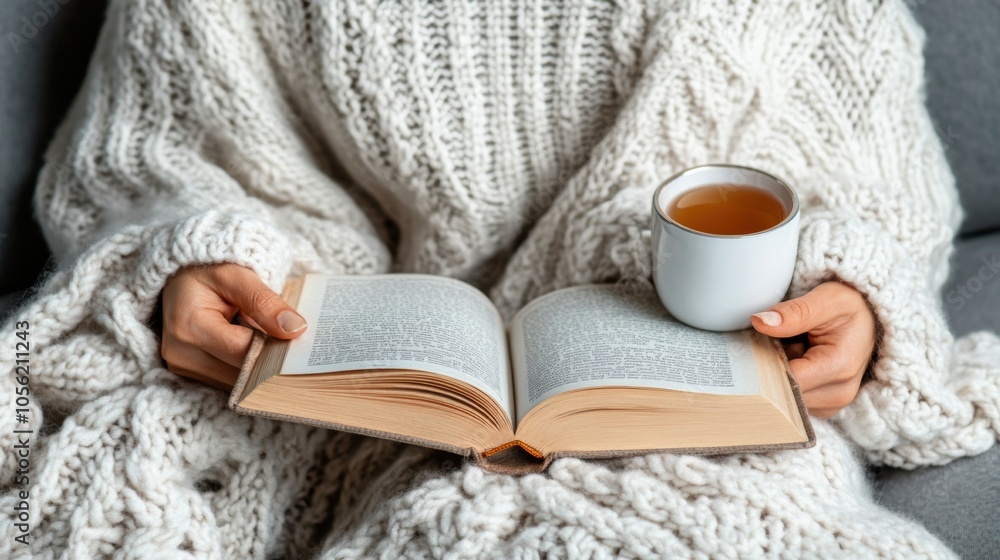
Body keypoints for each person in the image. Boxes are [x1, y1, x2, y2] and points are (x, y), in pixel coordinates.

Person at [2, 0, 998, 557]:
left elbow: (865, 179)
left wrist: (853, 300)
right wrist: (191, 264)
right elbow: (159, 155)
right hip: (349, 371)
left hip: (686, 376)